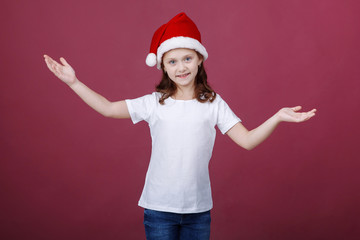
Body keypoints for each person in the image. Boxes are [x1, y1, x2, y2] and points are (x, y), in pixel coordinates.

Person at [44, 12, 316, 240]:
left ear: (199, 59)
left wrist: (278, 117)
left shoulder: (213, 103)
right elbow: (107, 108)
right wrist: (74, 83)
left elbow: (247, 141)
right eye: (172, 62)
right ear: (163, 66)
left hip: (198, 211)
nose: (181, 67)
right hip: (159, 209)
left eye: (187, 58)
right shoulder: (154, 103)